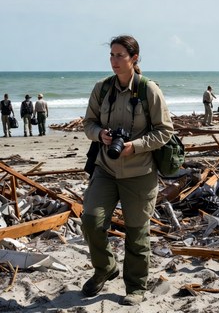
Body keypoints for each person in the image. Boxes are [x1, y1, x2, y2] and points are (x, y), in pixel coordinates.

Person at [82, 35, 174, 305]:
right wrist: (101, 135)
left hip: (140, 173)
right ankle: (105, 268)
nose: (114, 61)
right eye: (111, 55)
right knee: (91, 221)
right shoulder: (102, 88)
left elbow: (165, 131)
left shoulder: (149, 90)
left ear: (134, 58)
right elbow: (88, 123)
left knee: (137, 233)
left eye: (119, 55)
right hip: (106, 169)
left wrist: (136, 145)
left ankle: (135, 287)